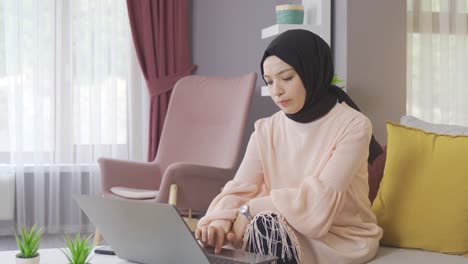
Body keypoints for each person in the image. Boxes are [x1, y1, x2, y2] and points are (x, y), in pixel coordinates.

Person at [195, 29, 384, 264]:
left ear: (312, 72)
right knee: (238, 236)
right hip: (283, 227)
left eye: (286, 78)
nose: (277, 91)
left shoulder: (354, 125)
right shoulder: (266, 129)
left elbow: (320, 204)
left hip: (339, 239)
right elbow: (240, 188)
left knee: (264, 226)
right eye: (270, 81)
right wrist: (217, 223)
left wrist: (250, 209)